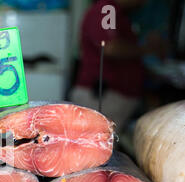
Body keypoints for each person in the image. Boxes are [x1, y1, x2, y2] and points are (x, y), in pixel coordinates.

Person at [70, 0, 166, 131]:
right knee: (96, 145)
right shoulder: (107, 8)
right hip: (103, 95)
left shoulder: (119, 13)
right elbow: (110, 47)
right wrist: (147, 49)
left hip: (109, 96)